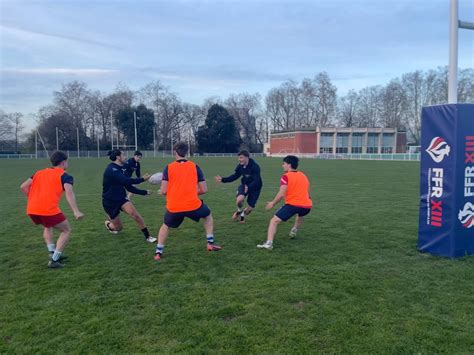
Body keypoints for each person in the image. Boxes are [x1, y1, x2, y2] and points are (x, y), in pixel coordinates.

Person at [154, 141, 222, 261]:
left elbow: (164, 191)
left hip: (174, 206)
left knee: (165, 226)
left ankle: (158, 252)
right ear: (187, 152)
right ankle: (210, 243)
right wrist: (190, 192)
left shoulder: (168, 168)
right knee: (208, 215)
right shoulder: (195, 167)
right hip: (193, 205)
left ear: (175, 152)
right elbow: (204, 189)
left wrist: (164, 191)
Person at [20, 151, 84, 268]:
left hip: (32, 209)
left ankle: (52, 252)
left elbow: (23, 186)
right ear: (63, 163)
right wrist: (76, 211)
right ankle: (54, 260)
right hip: (48, 210)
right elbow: (69, 193)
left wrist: (33, 198)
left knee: (47, 226)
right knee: (66, 230)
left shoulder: (39, 173)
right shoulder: (65, 176)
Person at [258, 155, 312, 250]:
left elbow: (281, 194)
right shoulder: (303, 175)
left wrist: (272, 203)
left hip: (293, 205)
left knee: (273, 221)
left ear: (289, 165)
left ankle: (269, 243)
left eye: (284, 164)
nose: (282, 165)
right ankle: (294, 230)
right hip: (307, 206)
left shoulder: (286, 176)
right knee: (300, 214)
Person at [102, 149, 156, 243]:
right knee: (118, 228)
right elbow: (126, 181)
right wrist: (142, 179)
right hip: (109, 202)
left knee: (135, 215)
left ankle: (148, 236)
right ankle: (108, 225)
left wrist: (144, 192)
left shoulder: (122, 169)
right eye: (123, 155)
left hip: (121, 198)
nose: (125, 157)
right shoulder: (111, 169)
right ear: (118, 157)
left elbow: (129, 188)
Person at [215, 150, 262, 223]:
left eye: (241, 157)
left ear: (247, 157)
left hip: (255, 188)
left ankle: (243, 214)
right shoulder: (240, 166)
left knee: (249, 210)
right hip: (244, 185)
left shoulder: (255, 167)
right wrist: (223, 179)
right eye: (239, 158)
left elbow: (256, 180)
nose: (239, 159)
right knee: (239, 200)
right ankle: (239, 211)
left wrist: (249, 188)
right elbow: (234, 176)